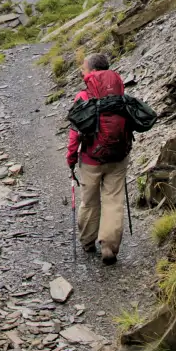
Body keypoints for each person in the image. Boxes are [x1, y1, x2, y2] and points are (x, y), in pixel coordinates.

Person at [66, 52, 131, 264]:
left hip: (91, 158)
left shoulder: (83, 97)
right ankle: (109, 248)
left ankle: (87, 241)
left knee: (89, 200)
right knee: (113, 200)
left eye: (84, 68)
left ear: (93, 71)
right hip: (118, 157)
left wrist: (71, 159)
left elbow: (75, 132)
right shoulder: (119, 95)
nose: (82, 72)